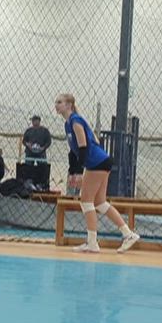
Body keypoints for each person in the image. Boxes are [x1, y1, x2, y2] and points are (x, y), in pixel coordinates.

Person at [57, 93, 140, 253]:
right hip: (99, 161)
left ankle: (92, 243)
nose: (56, 105)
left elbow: (83, 147)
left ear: (69, 105)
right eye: (56, 102)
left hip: (97, 162)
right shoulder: (68, 124)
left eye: (60, 102)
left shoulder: (75, 121)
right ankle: (128, 234)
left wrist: (80, 172)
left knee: (86, 201)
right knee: (100, 203)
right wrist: (73, 172)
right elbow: (74, 151)